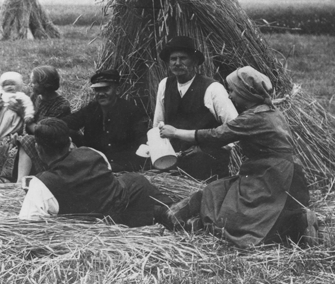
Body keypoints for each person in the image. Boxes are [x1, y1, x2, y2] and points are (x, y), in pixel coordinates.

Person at [160, 66, 317, 247]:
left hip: (271, 177)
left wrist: (175, 132)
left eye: (233, 91)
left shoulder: (252, 119)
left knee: (238, 221)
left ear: (246, 94)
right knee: (218, 190)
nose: (229, 96)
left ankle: (297, 226)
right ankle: (297, 223)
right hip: (289, 177)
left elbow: (215, 136)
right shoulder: (270, 112)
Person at [19, 118, 172, 227]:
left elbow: (29, 223)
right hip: (122, 207)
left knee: (131, 183)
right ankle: (169, 211)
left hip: (97, 226)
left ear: (38, 149)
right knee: (135, 181)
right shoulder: (92, 152)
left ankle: (166, 212)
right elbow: (106, 179)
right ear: (69, 142)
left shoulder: (41, 184)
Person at [153, 36, 238, 180]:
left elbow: (234, 128)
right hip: (174, 164)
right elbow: (158, 125)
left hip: (207, 165)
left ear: (195, 61)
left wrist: (208, 148)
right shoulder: (165, 85)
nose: (177, 63)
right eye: (173, 59)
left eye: (183, 58)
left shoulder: (212, 88)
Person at [62, 69, 148, 172]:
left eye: (106, 89)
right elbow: (69, 122)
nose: (101, 94)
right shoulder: (91, 109)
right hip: (95, 162)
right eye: (98, 90)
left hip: (121, 166)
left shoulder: (131, 111)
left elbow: (141, 140)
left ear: (117, 90)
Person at [16, 65, 71, 181]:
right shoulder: (36, 96)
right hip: (36, 138)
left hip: (51, 147)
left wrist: (23, 115)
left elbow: (45, 132)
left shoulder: (61, 105)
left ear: (46, 85)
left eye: (34, 82)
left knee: (27, 140)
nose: (31, 84)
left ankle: (20, 181)